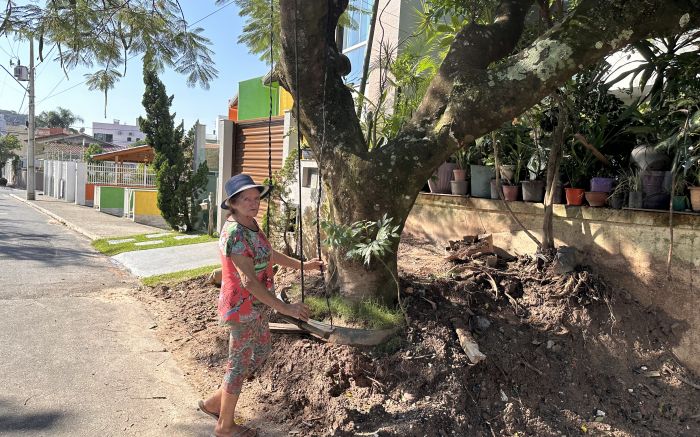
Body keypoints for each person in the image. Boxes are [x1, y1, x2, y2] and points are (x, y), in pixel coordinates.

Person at [198, 174, 322, 437]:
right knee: (238, 365)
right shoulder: (235, 232)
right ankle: (225, 426)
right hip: (241, 309)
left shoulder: (251, 224)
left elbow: (269, 254)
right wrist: (286, 308)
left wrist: (304, 265)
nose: (254, 203)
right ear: (232, 203)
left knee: (260, 353)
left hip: (257, 308)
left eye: (256, 198)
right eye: (246, 199)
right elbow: (249, 282)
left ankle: (212, 404)